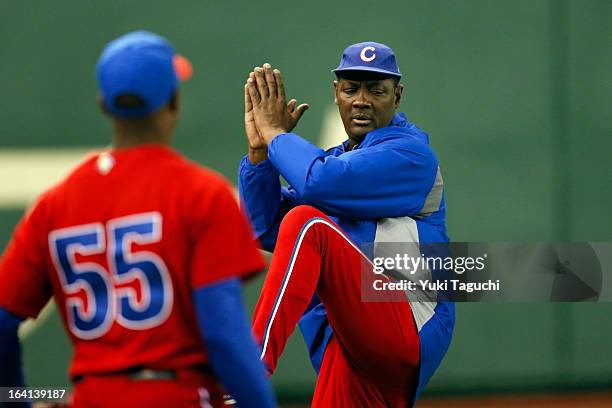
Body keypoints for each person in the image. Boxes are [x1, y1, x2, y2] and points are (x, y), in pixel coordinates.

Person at [0, 31, 277, 408]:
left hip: (91, 395)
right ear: (174, 101)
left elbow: (2, 321)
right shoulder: (200, 193)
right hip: (176, 394)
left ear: (103, 103)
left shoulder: (54, 204)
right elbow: (223, 335)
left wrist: (16, 400)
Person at [239, 41, 454, 407]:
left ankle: (248, 371)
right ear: (336, 94)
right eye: (351, 88)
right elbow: (266, 227)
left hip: (403, 325)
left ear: (397, 96)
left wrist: (278, 136)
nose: (362, 100)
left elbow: (322, 183)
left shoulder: (411, 153)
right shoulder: (334, 161)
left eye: (376, 89)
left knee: (308, 222)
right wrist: (261, 152)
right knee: (301, 223)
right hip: (349, 352)